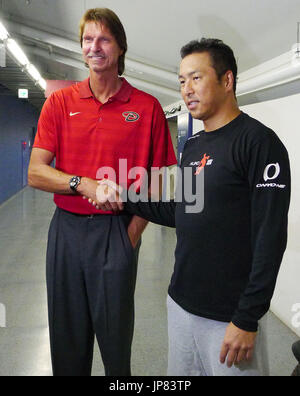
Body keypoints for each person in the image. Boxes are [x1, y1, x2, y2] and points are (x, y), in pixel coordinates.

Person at [92, 38, 291, 376]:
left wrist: (246, 317)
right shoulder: (194, 145)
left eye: (196, 78)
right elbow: (181, 209)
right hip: (181, 304)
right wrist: (124, 197)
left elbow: (270, 237)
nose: (187, 89)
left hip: (229, 316)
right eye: (182, 81)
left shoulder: (259, 143)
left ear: (226, 80)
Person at [28, 7, 176, 376]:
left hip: (117, 231)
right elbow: (36, 172)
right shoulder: (60, 103)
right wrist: (81, 183)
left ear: (120, 47)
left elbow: (157, 181)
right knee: (67, 339)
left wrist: (132, 235)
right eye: (87, 39)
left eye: (104, 38)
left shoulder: (147, 108)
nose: (94, 47)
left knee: (115, 342)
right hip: (66, 232)